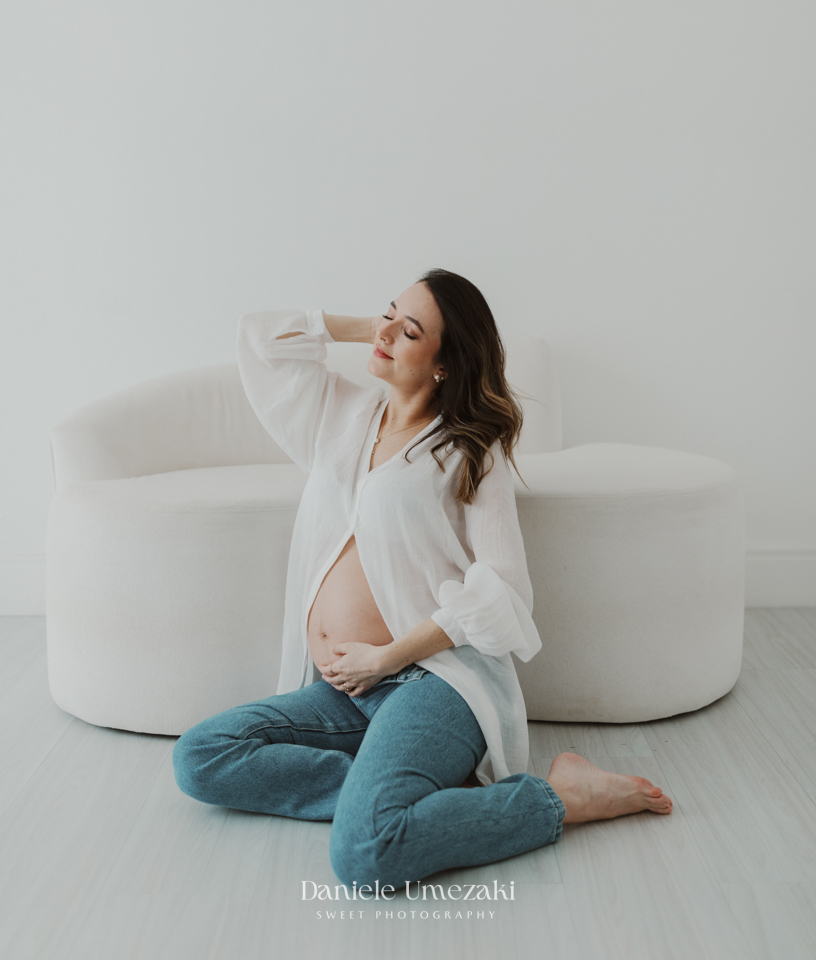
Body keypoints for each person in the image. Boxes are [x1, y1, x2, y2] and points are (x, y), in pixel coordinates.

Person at [172, 268, 672, 887]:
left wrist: (388, 658)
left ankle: (560, 798)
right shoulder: (339, 416)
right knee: (202, 757)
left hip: (432, 683)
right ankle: (408, 793)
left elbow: (504, 588)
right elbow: (261, 339)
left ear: (445, 363)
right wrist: (378, 328)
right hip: (346, 694)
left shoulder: (469, 451)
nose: (384, 335)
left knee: (366, 852)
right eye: (388, 316)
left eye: (410, 332)